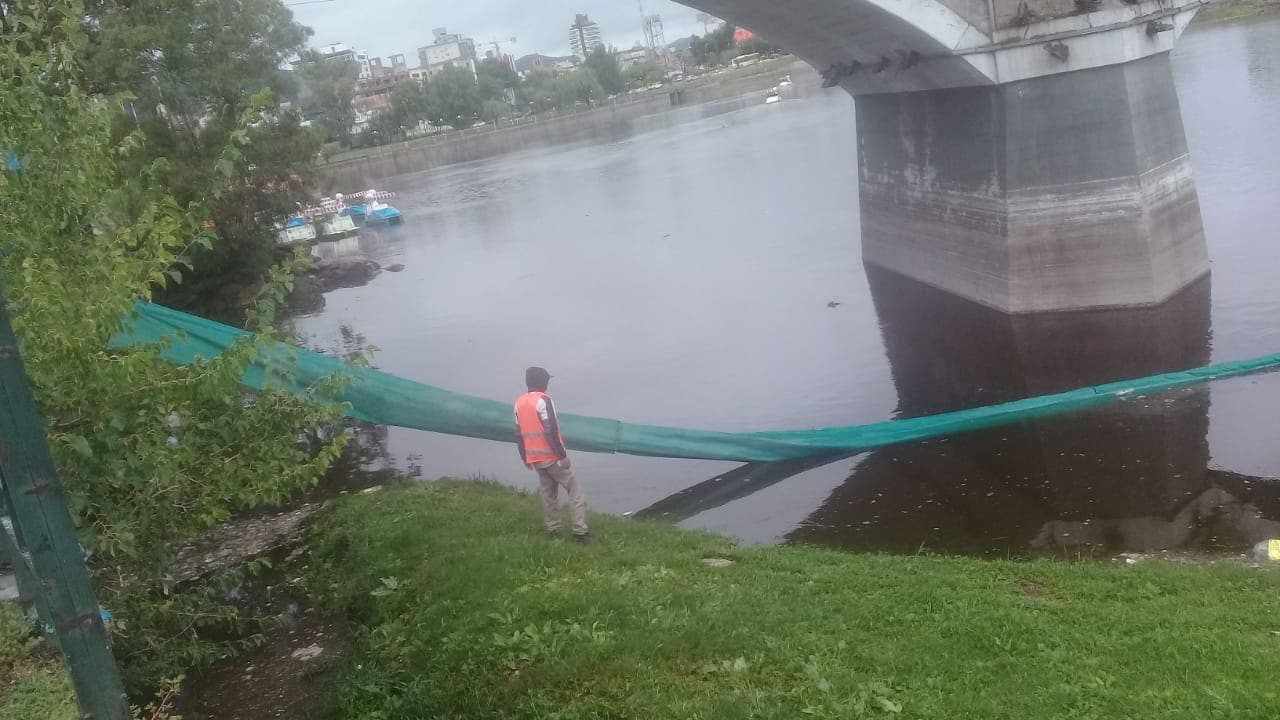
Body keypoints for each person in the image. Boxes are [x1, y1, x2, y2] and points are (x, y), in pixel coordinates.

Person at [514, 366, 591, 543]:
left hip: (535, 458)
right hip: (551, 457)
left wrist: (524, 457)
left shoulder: (519, 403)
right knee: (575, 490)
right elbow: (551, 431)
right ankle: (580, 532)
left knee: (548, 494)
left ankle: (554, 531)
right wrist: (562, 456)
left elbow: (518, 433)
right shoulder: (544, 400)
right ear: (544, 383)